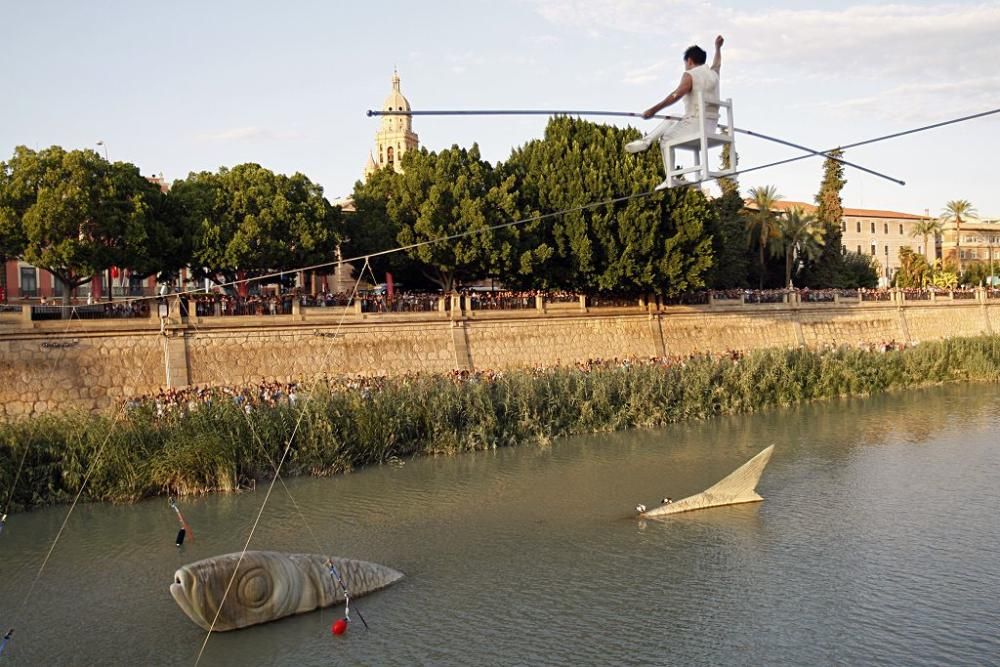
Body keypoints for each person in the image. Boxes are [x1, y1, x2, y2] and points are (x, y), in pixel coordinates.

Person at [626, 35, 724, 190]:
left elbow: (676, 94)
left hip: (696, 126)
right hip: (710, 126)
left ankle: (670, 179)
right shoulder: (714, 75)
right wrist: (718, 48)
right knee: (672, 117)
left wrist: (653, 110)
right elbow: (717, 63)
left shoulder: (690, 74)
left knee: (666, 139)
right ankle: (646, 141)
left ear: (689, 61)